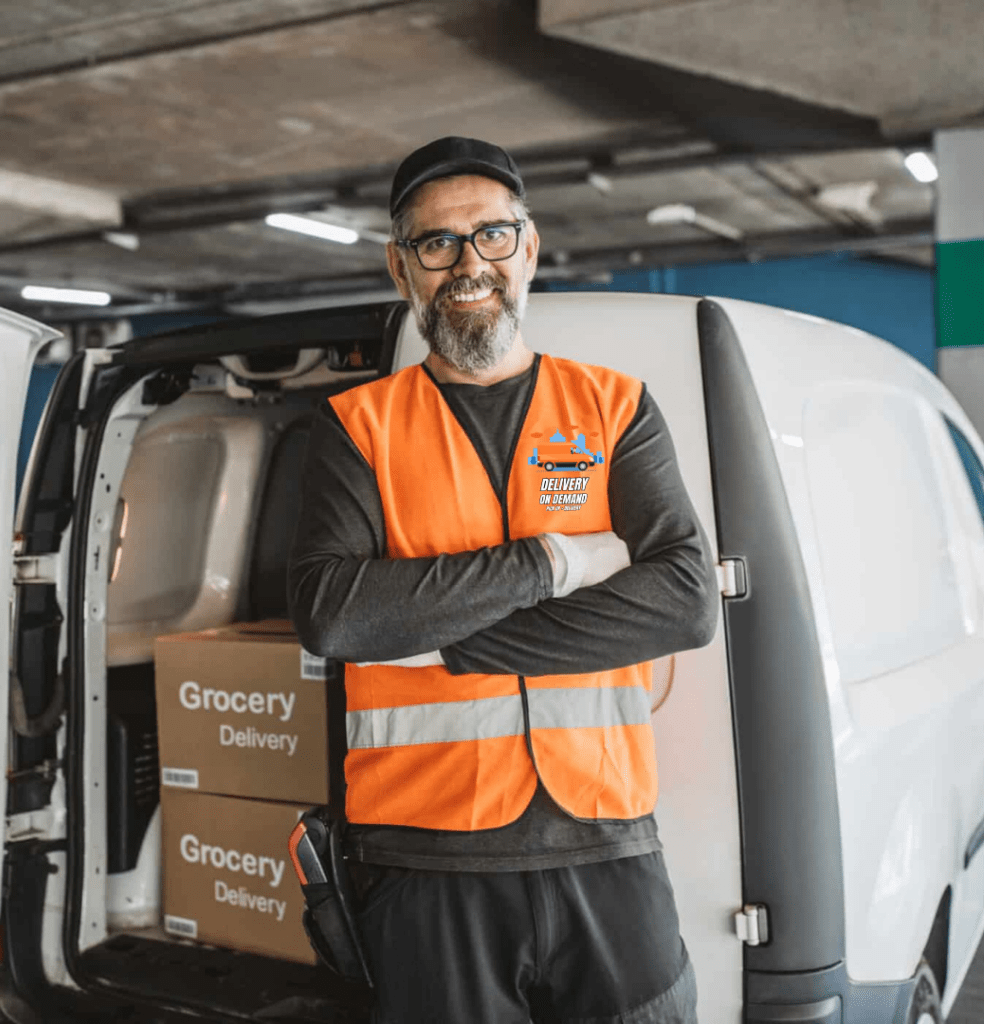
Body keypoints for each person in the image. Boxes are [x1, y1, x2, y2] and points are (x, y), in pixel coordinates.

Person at [288, 136, 719, 1024]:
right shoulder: (353, 428)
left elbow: (685, 599)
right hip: (423, 861)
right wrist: (555, 560)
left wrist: (435, 639)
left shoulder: (617, 407)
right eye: (437, 243)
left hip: (607, 844)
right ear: (400, 267)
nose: (467, 264)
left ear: (528, 247)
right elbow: (334, 620)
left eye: (490, 235)